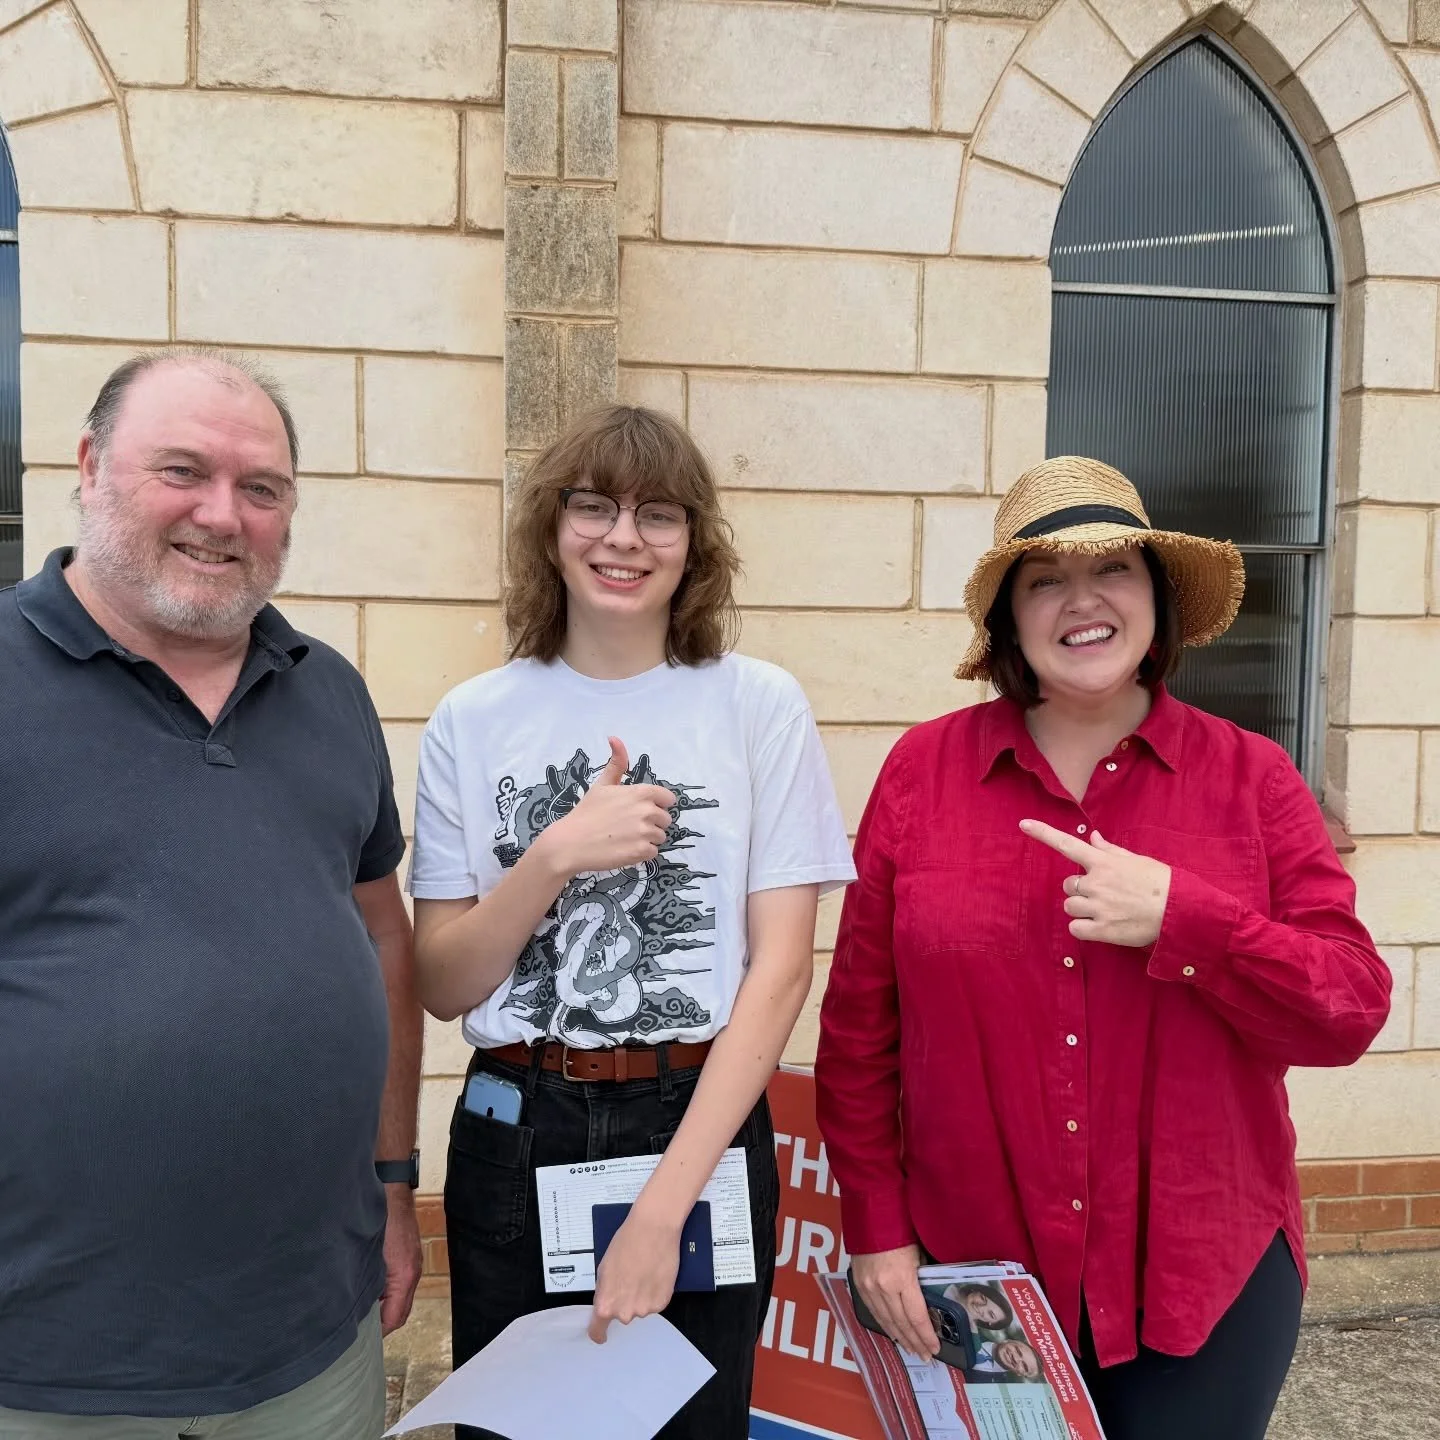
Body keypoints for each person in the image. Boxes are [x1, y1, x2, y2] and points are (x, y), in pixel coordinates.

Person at [814, 457, 1391, 1440]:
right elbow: (859, 1034)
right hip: (980, 1280)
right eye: (1046, 580)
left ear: (1156, 599)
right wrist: (876, 1234)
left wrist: (1187, 919)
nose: (1082, 602)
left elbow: (1347, 1006)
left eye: (1113, 570)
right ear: (1009, 620)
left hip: (1205, 1277)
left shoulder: (1252, 778)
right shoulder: (924, 774)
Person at [408, 404, 854, 1439]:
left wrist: (663, 1214)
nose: (623, 537)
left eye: (660, 513)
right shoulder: (472, 720)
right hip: (515, 1123)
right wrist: (555, 855)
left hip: (695, 1120)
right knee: (520, 1430)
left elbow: (781, 973)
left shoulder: (757, 705)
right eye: (594, 505)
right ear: (549, 527)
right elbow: (443, 982)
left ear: (695, 543)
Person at [0, 350, 423, 1438]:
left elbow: (381, 938)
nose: (223, 516)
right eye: (180, 472)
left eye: (263, 488)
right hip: (47, 1364)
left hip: (307, 1343)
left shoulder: (328, 689)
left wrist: (393, 1184)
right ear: (90, 466)